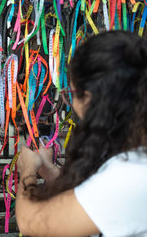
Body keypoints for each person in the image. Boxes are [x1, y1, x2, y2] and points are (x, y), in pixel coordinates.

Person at [15, 31, 147, 236]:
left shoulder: (131, 174)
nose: (72, 104)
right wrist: (49, 171)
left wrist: (27, 171)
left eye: (72, 94)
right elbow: (95, 197)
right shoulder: (134, 155)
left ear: (93, 98)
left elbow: (32, 221)